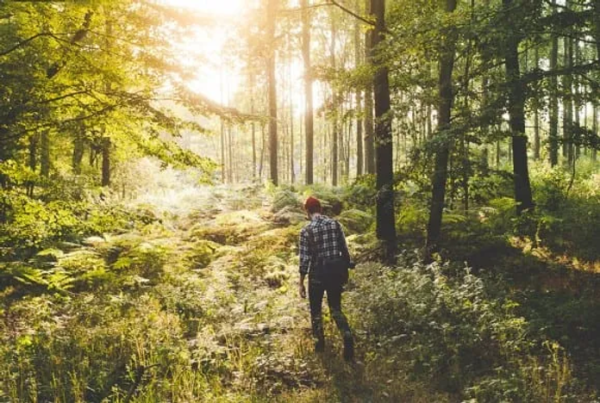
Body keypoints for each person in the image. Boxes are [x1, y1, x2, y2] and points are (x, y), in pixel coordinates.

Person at [298, 196, 354, 361]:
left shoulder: (306, 231)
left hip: (317, 275)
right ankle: (347, 334)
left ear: (307, 211)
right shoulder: (335, 224)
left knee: (316, 311)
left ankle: (319, 348)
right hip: (335, 272)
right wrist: (345, 268)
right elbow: (344, 249)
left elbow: (304, 260)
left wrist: (301, 282)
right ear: (321, 209)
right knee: (335, 308)